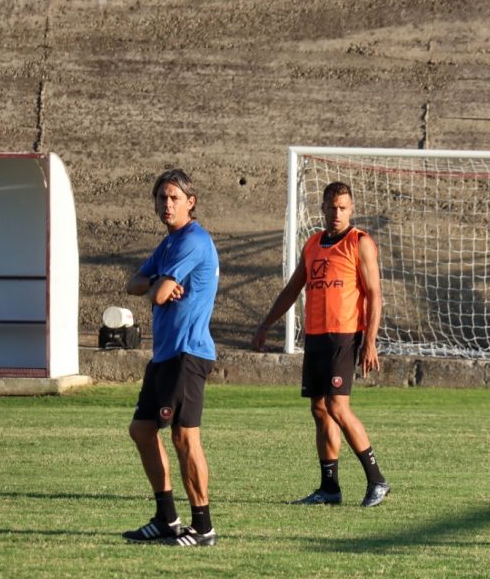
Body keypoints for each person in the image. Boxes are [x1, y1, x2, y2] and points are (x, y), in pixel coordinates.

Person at [252, 181, 390, 508]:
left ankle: (377, 480)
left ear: (351, 209)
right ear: (323, 209)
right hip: (316, 336)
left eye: (343, 208)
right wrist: (266, 325)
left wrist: (370, 342)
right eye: (332, 207)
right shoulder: (313, 244)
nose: (337, 213)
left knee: (338, 406)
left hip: (344, 335)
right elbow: (292, 289)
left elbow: (375, 295)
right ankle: (329, 488)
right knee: (319, 409)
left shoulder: (360, 242)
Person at [122, 169, 220, 547]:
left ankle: (204, 527)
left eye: (174, 198)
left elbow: (160, 295)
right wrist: (155, 282)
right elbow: (134, 285)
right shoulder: (168, 245)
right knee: (142, 430)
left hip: (188, 352)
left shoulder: (193, 240)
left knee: (184, 437)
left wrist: (157, 286)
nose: (167, 204)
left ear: (190, 202)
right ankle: (167, 518)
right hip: (165, 354)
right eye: (162, 197)